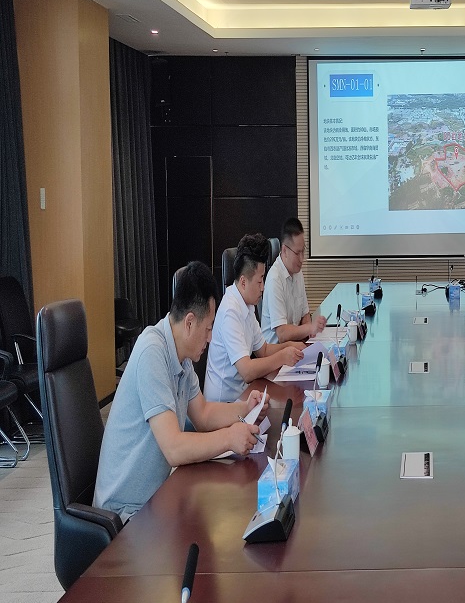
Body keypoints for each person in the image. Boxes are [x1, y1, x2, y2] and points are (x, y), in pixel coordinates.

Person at [94, 261, 268, 522]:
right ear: (189, 323)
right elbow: (173, 448)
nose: (210, 338)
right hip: (124, 514)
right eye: (208, 328)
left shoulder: (181, 355)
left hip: (156, 499)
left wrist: (245, 408)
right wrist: (229, 438)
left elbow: (203, 414)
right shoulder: (152, 351)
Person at [205, 233, 305, 402]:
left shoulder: (247, 305)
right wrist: (283, 356)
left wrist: (290, 346)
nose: (263, 287)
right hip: (224, 403)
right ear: (243, 282)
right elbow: (247, 371)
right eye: (260, 281)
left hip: (244, 394)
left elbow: (263, 350)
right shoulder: (230, 311)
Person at [261, 218, 326, 344]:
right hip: (277, 350)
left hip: (295, 345)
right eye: (297, 253)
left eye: (303, 251)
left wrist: (311, 331)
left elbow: (305, 315)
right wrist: (310, 328)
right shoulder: (275, 279)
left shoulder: (297, 272)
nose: (302, 259)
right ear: (285, 250)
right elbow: (282, 334)